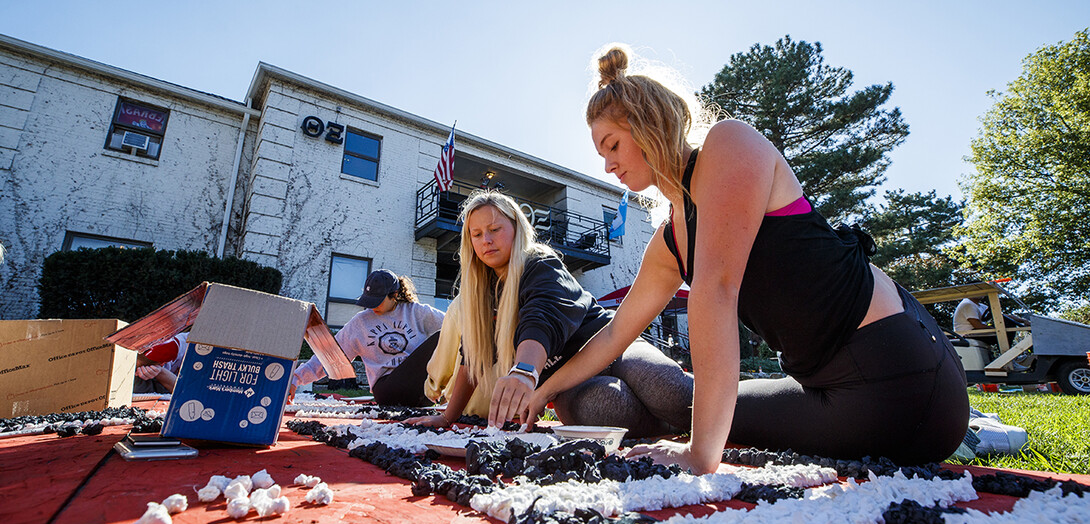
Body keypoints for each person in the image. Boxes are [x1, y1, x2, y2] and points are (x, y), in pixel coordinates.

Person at [514, 44, 969, 473]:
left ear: (649, 123)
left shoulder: (729, 146)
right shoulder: (670, 240)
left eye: (612, 145)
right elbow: (615, 333)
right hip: (825, 391)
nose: (608, 166)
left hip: (901, 373)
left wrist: (698, 457)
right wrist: (545, 389)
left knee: (708, 427)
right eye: (601, 153)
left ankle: (981, 433)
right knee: (701, 408)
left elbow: (715, 290)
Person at [406, 190, 693, 435]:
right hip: (562, 383)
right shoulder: (480, 297)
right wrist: (446, 417)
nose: (486, 240)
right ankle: (666, 429)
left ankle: (708, 413)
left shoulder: (540, 262)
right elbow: (472, 360)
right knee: (607, 407)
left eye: (495, 229)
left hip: (610, 347)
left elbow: (540, 318)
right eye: (477, 234)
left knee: (666, 388)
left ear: (516, 228)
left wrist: (524, 370)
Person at [291, 269, 444, 407]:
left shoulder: (416, 312)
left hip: (421, 391)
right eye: (369, 301)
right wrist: (295, 380)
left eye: (378, 301)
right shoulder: (361, 322)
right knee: (445, 336)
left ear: (395, 295)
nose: (372, 306)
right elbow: (329, 355)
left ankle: (455, 396)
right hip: (388, 389)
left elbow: (456, 325)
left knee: (451, 333)